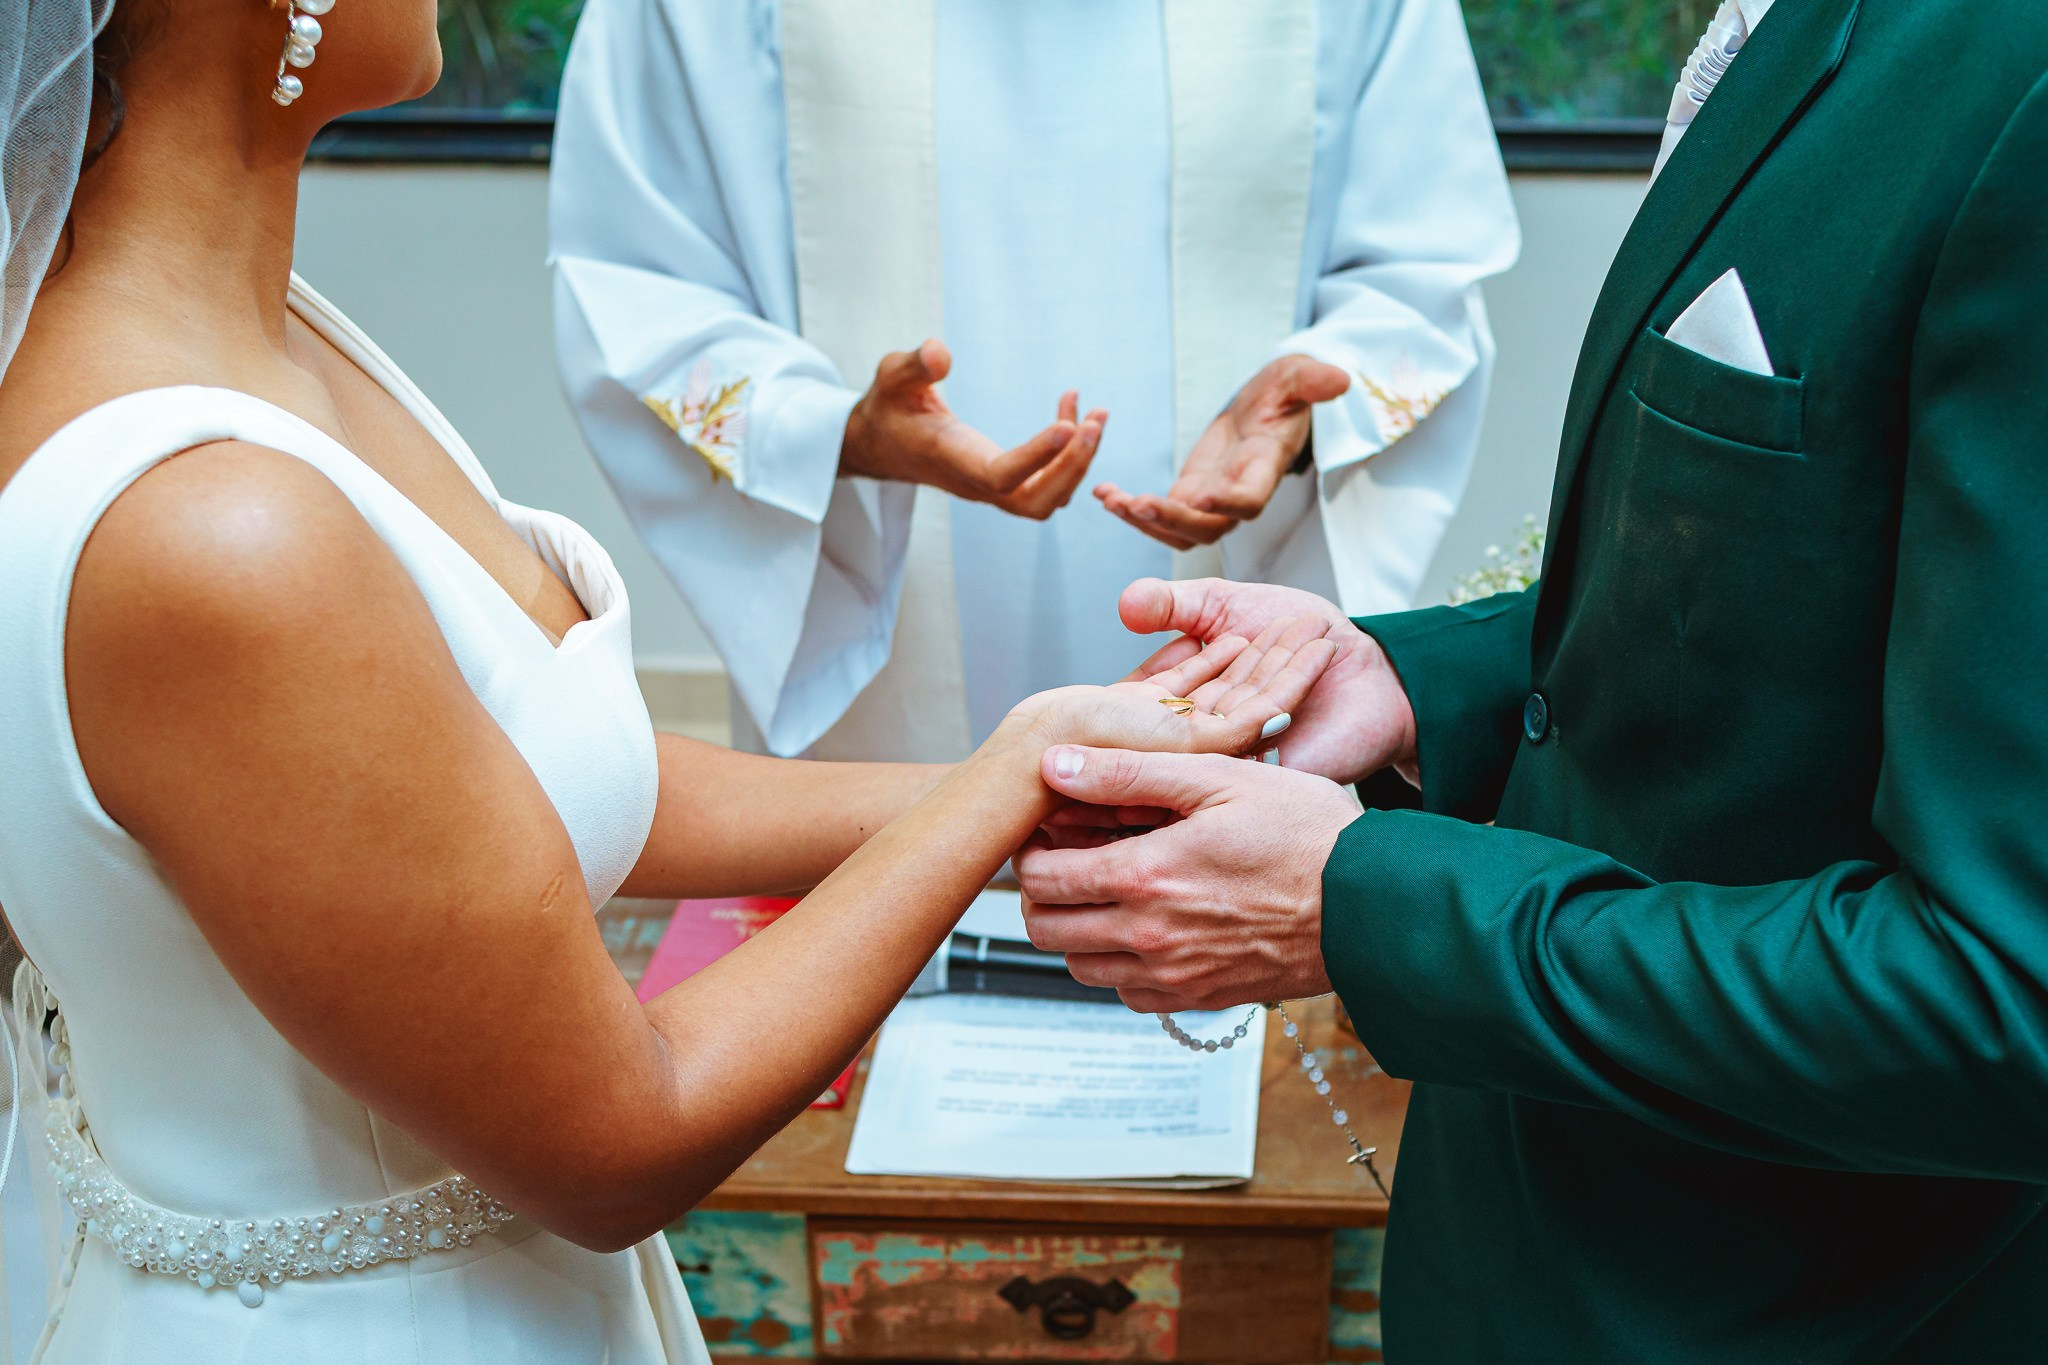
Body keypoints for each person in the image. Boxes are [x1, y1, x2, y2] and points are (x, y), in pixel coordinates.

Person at [0, 1, 1332, 1359]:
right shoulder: (216, 526)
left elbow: (493, 787)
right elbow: (617, 1138)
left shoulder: (272, 336)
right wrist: (1014, 767)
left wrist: (1035, 782)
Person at [1015, 0, 2048, 1358]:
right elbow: (1828, 598)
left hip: (1790, 1304)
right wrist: (1414, 681)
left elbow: (2004, 1002)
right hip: (1530, 1244)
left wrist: (1364, 907)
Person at [549, 0, 1519, 761]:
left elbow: (1420, 265)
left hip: (1229, 605)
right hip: (884, 696)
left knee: (1219, 953)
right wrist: (835, 431)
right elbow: (640, 273)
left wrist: (1301, 413)